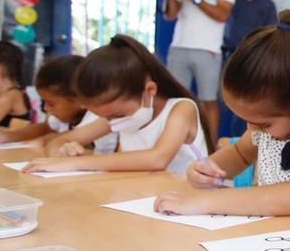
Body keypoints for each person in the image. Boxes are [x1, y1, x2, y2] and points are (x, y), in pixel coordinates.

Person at [154, 10, 290, 216]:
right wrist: (206, 169)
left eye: (264, 124)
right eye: (247, 120)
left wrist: (206, 201)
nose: (251, 128)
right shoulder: (270, 126)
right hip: (270, 233)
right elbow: (240, 153)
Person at [26, 35, 207, 175]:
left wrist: (77, 162)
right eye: (106, 118)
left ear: (150, 90)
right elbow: (58, 141)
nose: (112, 123)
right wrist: (62, 153)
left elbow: (158, 159)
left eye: (117, 116)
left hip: (186, 201)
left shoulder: (181, 109)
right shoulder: (118, 118)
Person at [164, 0, 235, 146]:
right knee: (175, 99)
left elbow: (222, 15)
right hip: (179, 47)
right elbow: (170, 15)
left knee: (207, 100)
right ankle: (174, 143)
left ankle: (210, 147)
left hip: (208, 49)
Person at [0, 55, 115, 154]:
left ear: (80, 101)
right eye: (44, 102)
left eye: (51, 103)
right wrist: (8, 136)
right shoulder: (65, 117)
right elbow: (43, 128)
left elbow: (72, 139)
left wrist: (44, 140)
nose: (46, 109)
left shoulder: (96, 118)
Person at [220, 0, 277, 137]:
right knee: (223, 99)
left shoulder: (267, 5)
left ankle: (240, 141)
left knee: (246, 101)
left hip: (252, 60)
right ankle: (219, 140)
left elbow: (270, 34)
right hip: (228, 55)